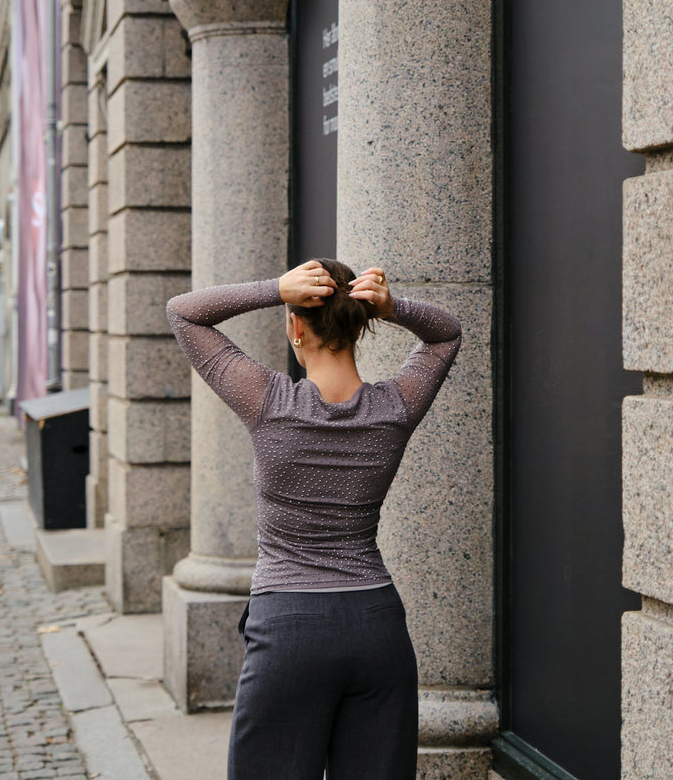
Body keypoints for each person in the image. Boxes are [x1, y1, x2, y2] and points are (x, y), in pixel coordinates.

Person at [166, 258, 462, 780]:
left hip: (288, 629)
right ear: (361, 325)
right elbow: (446, 335)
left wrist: (273, 288)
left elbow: (184, 314)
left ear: (294, 327)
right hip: (376, 626)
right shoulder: (393, 407)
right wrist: (395, 308)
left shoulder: (269, 401)